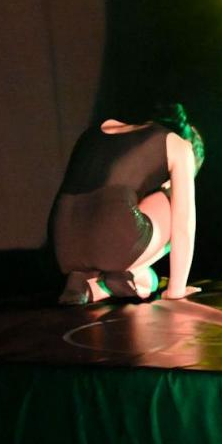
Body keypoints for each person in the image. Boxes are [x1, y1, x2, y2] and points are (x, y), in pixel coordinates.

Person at [48, 106, 203, 305]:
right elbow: (184, 226)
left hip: (62, 242)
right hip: (115, 239)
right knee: (174, 202)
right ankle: (128, 273)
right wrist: (176, 290)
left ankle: (87, 283)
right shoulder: (181, 147)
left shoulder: (103, 127)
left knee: (149, 281)